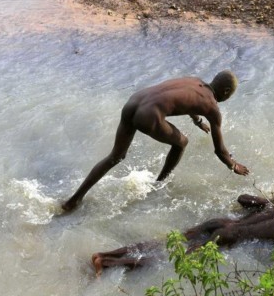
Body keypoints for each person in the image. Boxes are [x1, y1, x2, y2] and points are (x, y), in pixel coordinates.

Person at [62, 71, 250, 212]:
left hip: (134, 101)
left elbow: (185, 99)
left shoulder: (195, 81)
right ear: (226, 92)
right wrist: (233, 165)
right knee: (181, 142)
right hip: (149, 115)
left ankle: (74, 200)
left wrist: (197, 121)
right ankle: (159, 184)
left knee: (115, 156)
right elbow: (220, 151)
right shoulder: (213, 108)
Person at [91, 194, 274, 276]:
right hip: (228, 238)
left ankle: (104, 253)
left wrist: (257, 206)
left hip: (219, 223)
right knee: (171, 258)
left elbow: (242, 198)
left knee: (164, 242)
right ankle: (108, 263)